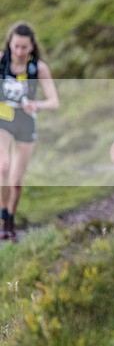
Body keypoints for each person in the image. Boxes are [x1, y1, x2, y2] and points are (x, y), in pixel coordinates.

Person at [0, 22, 59, 242]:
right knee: (2, 166)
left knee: (17, 181)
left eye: (24, 47)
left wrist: (37, 105)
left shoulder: (39, 68)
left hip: (26, 123)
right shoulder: (2, 61)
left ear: (32, 46)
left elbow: (54, 101)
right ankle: (2, 215)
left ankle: (11, 219)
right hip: (3, 119)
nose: (19, 52)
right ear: (10, 44)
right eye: (16, 46)